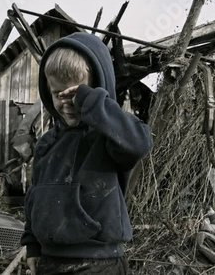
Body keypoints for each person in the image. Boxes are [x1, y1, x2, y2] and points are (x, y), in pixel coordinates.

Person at [20, 32, 153, 275]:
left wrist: (90, 101)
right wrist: (32, 245)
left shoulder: (108, 138)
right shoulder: (46, 144)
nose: (66, 102)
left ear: (96, 92)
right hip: (50, 261)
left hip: (98, 263)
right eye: (57, 93)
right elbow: (34, 197)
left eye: (75, 94)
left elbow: (139, 143)